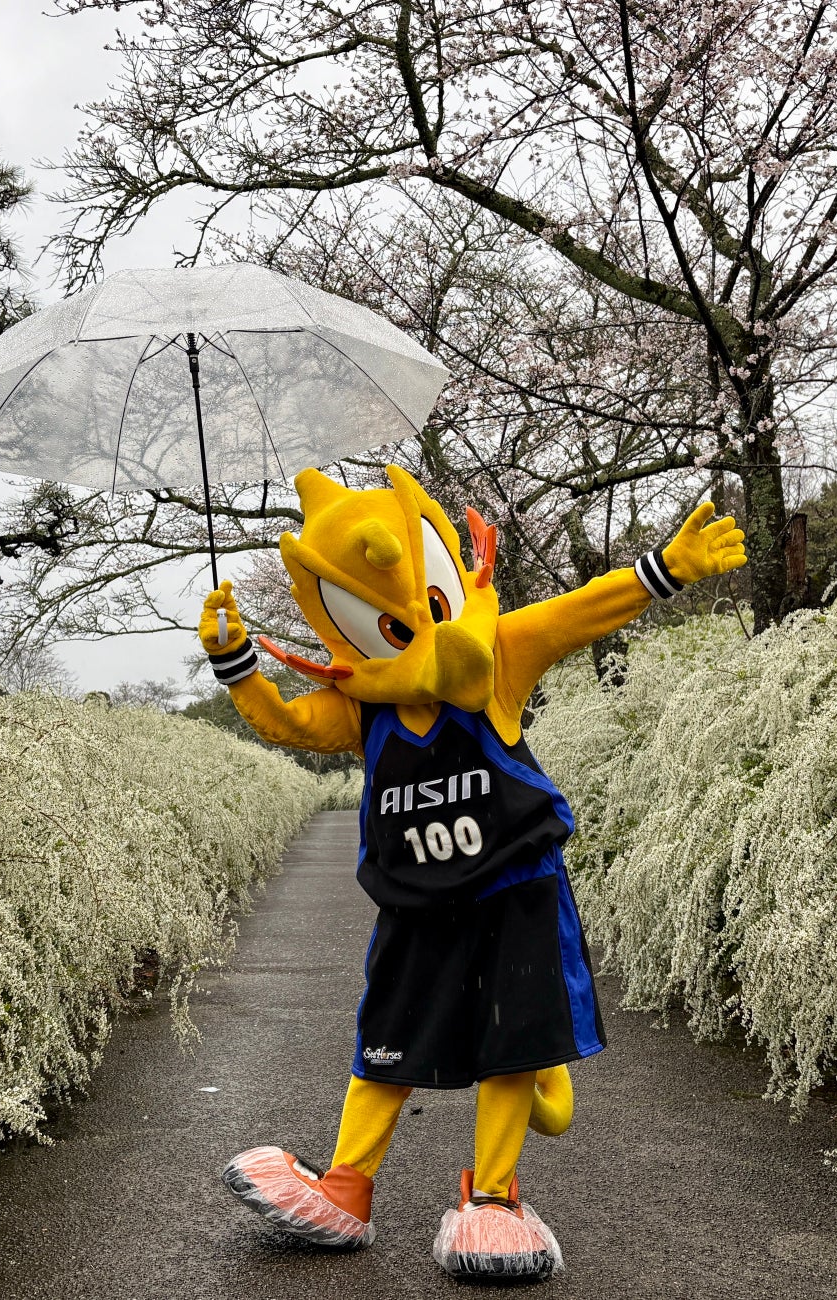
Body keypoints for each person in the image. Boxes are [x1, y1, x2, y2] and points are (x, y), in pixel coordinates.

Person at [199, 465, 746, 1281]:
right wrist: (237, 661)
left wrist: (666, 567)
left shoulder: (498, 655)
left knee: (514, 1039)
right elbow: (286, 722)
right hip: (416, 904)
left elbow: (578, 612)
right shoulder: (363, 706)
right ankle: (346, 1185)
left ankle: (494, 1196)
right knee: (388, 1039)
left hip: (515, 890)